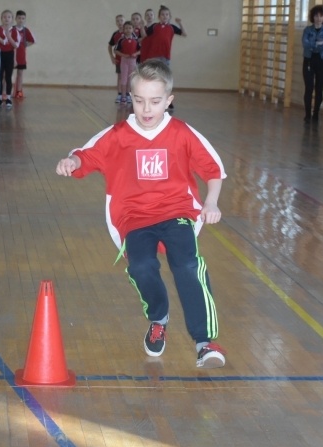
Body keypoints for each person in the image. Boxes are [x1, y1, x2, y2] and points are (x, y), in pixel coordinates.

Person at [55, 59, 228, 369]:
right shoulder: (118, 134)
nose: (146, 108)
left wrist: (212, 202)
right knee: (142, 266)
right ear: (129, 96)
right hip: (134, 216)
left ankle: (205, 342)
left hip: (177, 212)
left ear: (169, 101)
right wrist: (72, 162)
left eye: (156, 101)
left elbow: (213, 169)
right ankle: (158, 316)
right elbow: (86, 155)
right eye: (139, 100)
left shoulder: (182, 133)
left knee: (188, 266)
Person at [141, 5, 185, 109]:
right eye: (162, 14)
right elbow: (144, 36)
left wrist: (180, 23)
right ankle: (150, 98)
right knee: (152, 78)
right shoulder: (155, 26)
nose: (164, 16)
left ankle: (167, 100)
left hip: (165, 57)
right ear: (159, 16)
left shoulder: (172, 27)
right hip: (153, 57)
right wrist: (142, 26)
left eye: (167, 14)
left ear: (169, 16)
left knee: (165, 79)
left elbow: (184, 33)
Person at [302, 6, 323, 124]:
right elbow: (305, 43)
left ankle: (316, 114)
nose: (318, 18)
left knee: (319, 88)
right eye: (316, 16)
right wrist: (317, 44)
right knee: (309, 88)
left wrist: (314, 45)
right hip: (309, 59)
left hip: (322, 60)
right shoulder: (307, 30)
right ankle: (307, 114)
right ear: (312, 17)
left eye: (321, 16)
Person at [0, 10, 21, 109]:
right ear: (1, 18)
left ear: (12, 19)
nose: (6, 19)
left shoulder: (15, 31)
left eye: (9, 17)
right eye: (4, 17)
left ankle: (8, 98)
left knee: (8, 77)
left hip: (9, 55)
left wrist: (8, 36)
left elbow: (16, 45)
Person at [114, 22, 140, 105]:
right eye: (126, 28)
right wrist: (123, 55)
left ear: (133, 29)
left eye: (130, 28)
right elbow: (116, 50)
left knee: (130, 78)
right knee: (123, 78)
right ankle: (123, 96)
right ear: (124, 30)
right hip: (124, 61)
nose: (128, 30)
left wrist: (135, 54)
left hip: (133, 61)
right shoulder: (121, 40)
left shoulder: (136, 40)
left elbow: (141, 50)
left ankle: (129, 95)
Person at [13, 10, 35, 99]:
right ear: (15, 19)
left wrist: (26, 45)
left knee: (20, 73)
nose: (21, 20)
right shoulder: (12, 29)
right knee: (6, 74)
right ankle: (4, 92)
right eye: (19, 18)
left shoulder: (25, 30)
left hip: (21, 56)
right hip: (11, 55)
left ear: (25, 19)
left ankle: (19, 91)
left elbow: (32, 41)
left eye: (23, 18)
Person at [108, 15, 126, 103]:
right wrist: (112, 57)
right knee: (120, 77)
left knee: (129, 78)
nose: (120, 23)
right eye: (118, 21)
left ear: (124, 21)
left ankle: (127, 95)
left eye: (121, 20)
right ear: (116, 23)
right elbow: (110, 46)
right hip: (119, 59)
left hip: (128, 60)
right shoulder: (115, 34)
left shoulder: (130, 32)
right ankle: (119, 94)